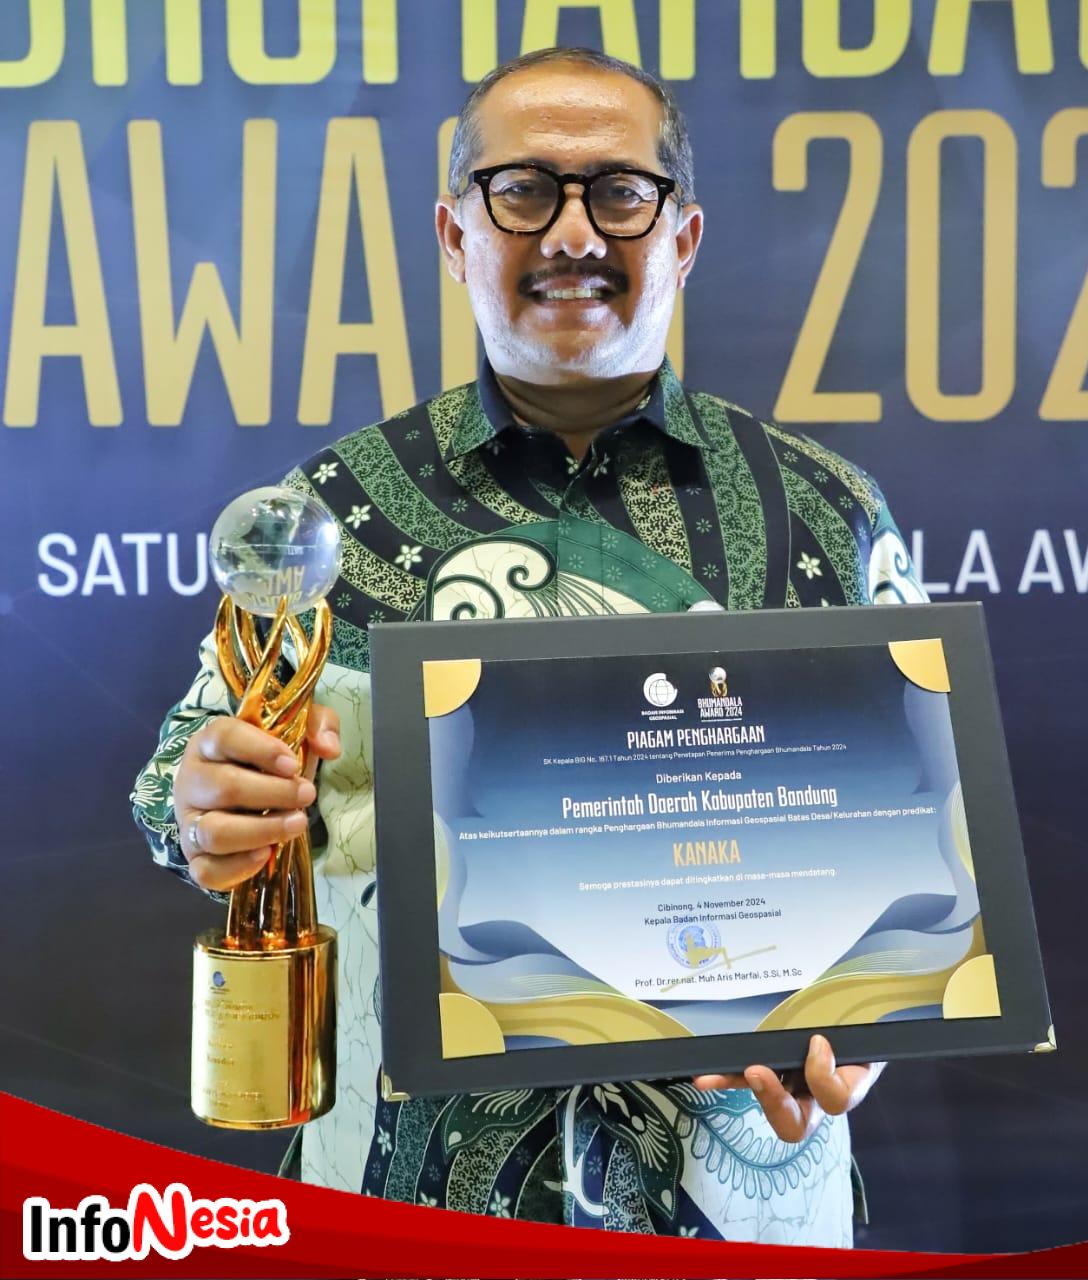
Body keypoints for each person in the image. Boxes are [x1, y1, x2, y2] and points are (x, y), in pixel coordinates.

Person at [132, 46, 926, 1247]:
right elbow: (178, 778)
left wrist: (880, 1018)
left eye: (619, 192)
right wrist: (205, 803)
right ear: (454, 235)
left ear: (683, 238)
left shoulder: (826, 512)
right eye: (522, 191)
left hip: (735, 1198)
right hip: (403, 1201)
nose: (572, 233)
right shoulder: (333, 514)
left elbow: (921, 846)